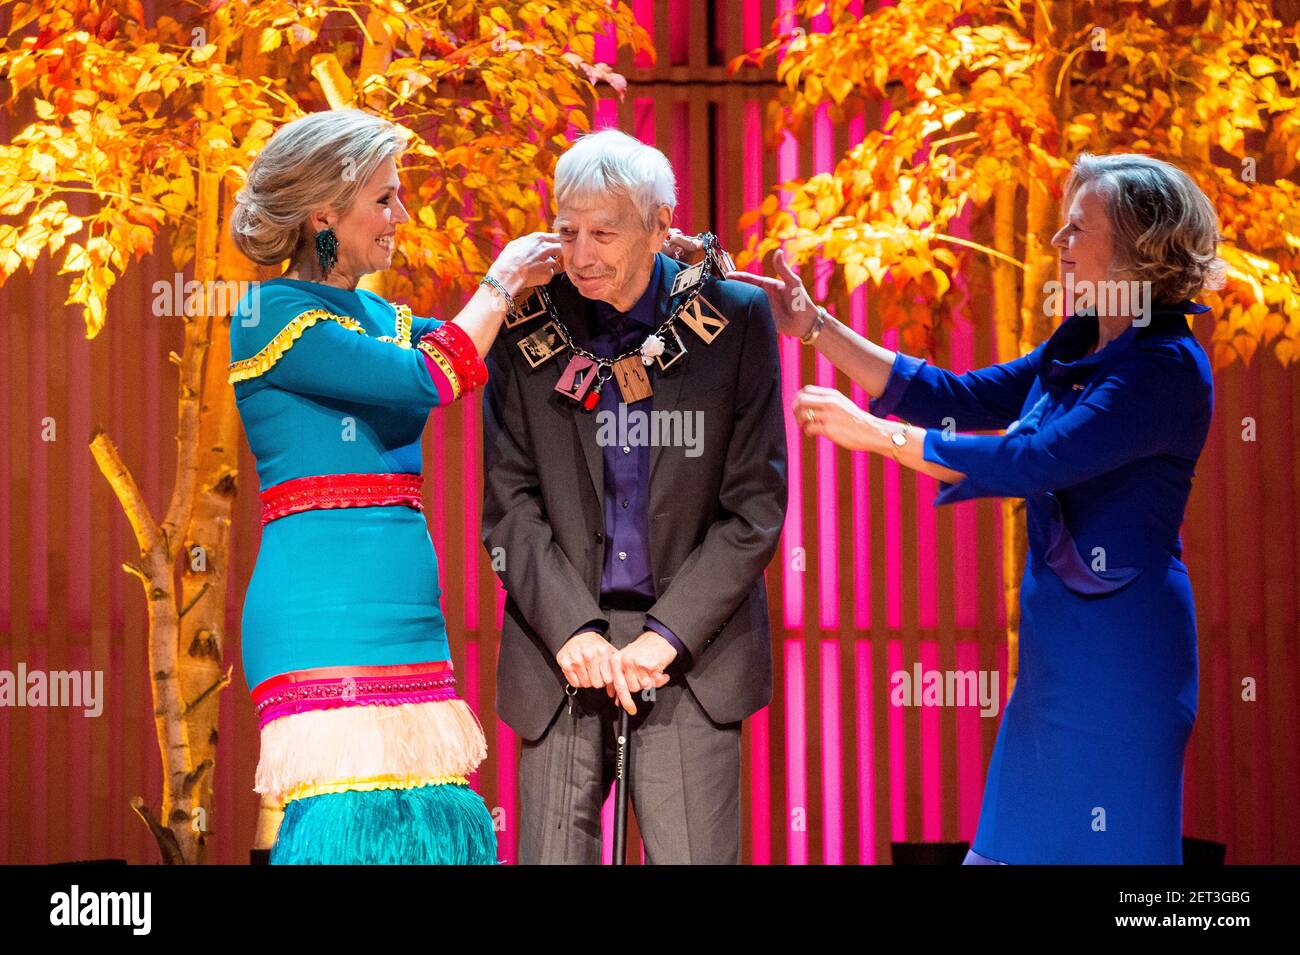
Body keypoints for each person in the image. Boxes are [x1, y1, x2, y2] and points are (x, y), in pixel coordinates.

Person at [730, 152, 1224, 864]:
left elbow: (1036, 459)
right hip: (1056, 668)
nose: (1058, 246)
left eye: (1076, 229)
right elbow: (959, 398)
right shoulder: (1081, 339)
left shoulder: (1166, 368)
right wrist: (816, 327)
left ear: (1136, 252)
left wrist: (879, 438)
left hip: (1124, 669)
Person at [227, 108, 560, 864]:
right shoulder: (267, 312)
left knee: (428, 823)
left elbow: (488, 349)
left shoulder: (381, 314)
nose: (401, 216)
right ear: (324, 214)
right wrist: (500, 279)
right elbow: (430, 374)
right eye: (384, 198)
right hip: (322, 608)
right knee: (351, 828)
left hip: (407, 608)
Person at [481, 129, 788, 864]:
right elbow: (508, 506)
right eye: (567, 231)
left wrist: (665, 636)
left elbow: (754, 510)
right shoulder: (522, 325)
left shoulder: (737, 319)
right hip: (560, 651)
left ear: (660, 224)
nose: (581, 254)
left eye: (604, 233)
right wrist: (573, 632)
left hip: (690, 647)